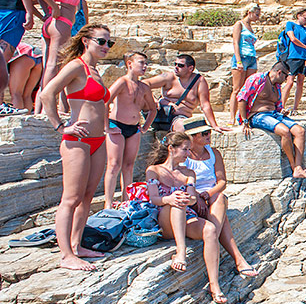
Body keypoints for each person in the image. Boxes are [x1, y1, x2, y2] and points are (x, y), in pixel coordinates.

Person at [40, 24, 113, 271]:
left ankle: (76, 244)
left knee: (87, 197)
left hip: (98, 141)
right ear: (86, 41)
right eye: (101, 41)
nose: (106, 47)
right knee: (70, 198)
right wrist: (61, 126)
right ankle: (66, 255)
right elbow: (46, 93)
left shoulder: (95, 71)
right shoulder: (76, 66)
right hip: (77, 141)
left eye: (108, 43)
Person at [146, 132, 228, 304]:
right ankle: (181, 251)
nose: (188, 154)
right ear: (171, 149)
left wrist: (187, 198)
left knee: (210, 229)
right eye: (185, 150)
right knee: (177, 202)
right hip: (164, 217)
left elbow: (192, 198)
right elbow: (154, 198)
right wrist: (170, 199)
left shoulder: (189, 173)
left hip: (185, 213)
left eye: (189, 150)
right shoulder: (154, 171)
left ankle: (214, 284)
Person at [182, 117, 257, 278]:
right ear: (194, 137)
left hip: (211, 195)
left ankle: (214, 242)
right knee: (223, 221)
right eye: (204, 133)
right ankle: (238, 259)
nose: (209, 135)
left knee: (219, 197)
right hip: (192, 199)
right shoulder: (184, 157)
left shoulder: (214, 153)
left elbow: (222, 181)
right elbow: (181, 181)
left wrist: (206, 194)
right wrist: (197, 197)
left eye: (208, 132)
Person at [238, 60, 306, 179]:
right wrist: (245, 121)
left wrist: (282, 110)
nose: (286, 80)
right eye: (285, 76)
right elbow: (242, 98)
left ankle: (299, 167)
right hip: (258, 115)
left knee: (300, 131)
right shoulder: (257, 79)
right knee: (285, 132)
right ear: (279, 72)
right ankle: (293, 166)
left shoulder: (277, 87)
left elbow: (277, 105)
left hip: (274, 114)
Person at [33, 0, 85, 114]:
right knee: (53, 65)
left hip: (55, 24)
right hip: (61, 24)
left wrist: (47, 11)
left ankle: (40, 108)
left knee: (52, 65)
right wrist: (54, 8)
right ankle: (46, 107)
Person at [104, 51, 157, 208]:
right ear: (130, 64)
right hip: (116, 125)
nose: (145, 66)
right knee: (114, 165)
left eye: (146, 63)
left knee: (129, 165)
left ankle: (126, 200)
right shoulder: (122, 82)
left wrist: (146, 127)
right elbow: (106, 101)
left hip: (133, 128)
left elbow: (152, 109)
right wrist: (106, 126)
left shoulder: (143, 87)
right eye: (141, 63)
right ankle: (108, 202)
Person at [145, 54, 226, 132]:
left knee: (183, 128)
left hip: (178, 118)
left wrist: (214, 125)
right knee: (139, 95)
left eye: (180, 65)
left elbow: (205, 104)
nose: (176, 67)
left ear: (190, 68)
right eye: (175, 64)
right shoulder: (169, 77)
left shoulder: (199, 81)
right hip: (158, 115)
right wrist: (153, 100)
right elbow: (144, 84)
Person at [228, 3, 260, 125]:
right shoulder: (239, 24)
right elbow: (235, 43)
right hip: (241, 57)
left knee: (248, 89)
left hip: (251, 58)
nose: (257, 17)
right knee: (236, 88)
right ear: (249, 12)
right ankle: (232, 117)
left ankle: (242, 116)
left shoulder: (250, 27)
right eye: (256, 14)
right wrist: (239, 61)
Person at [282, 8, 306, 115]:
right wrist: (305, 46)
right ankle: (281, 106)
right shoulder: (290, 24)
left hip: (303, 58)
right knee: (289, 82)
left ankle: (295, 108)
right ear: (298, 15)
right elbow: (292, 38)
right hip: (293, 57)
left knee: (300, 82)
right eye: (305, 18)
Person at [5, 42, 42, 112]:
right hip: (37, 56)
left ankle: (17, 120)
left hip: (23, 55)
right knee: (27, 95)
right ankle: (27, 120)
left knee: (16, 94)